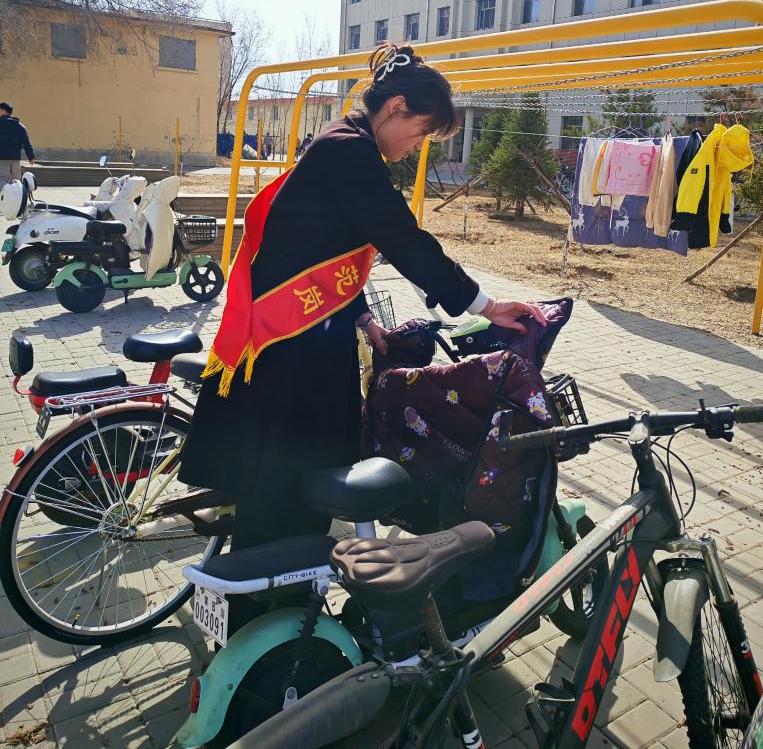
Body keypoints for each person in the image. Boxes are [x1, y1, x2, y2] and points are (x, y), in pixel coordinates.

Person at [178, 42, 547, 630]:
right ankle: (262, 626)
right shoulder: (351, 153)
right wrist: (485, 304)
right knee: (286, 491)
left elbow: (315, 249)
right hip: (294, 361)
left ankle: (278, 616)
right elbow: (406, 242)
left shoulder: (342, 144)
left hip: (302, 347)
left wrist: (360, 318)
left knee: (288, 489)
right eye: (420, 134)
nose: (416, 148)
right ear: (396, 108)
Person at [0, 102, 35, 189]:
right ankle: (16, 197)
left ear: (3, 110)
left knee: (2, 181)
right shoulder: (20, 126)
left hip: (1, 159)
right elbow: (26, 143)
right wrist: (31, 157)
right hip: (15, 159)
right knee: (16, 183)